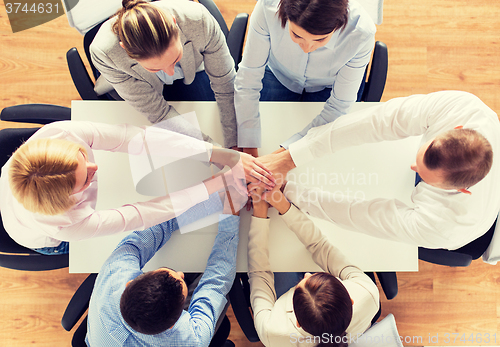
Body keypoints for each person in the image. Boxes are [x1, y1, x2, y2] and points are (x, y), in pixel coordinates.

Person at [259, 91, 500, 250]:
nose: (413, 167)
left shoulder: (444, 227)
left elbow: (359, 214)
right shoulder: (464, 108)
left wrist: (289, 191)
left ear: (460, 190)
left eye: (424, 175)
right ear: (454, 128)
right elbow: (378, 121)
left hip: (473, 230)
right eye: (421, 159)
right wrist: (292, 157)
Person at [0, 121, 254, 254]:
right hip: (30, 233)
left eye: (83, 157)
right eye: (85, 179)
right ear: (70, 199)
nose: (95, 169)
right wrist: (219, 182)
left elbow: (138, 138)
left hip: (13, 181)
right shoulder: (66, 224)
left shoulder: (61, 134)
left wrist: (215, 155)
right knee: (90, 253)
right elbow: (143, 214)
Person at [85, 191, 240, 346]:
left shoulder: (114, 272)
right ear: (174, 324)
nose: (180, 274)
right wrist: (231, 212)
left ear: (129, 283)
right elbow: (216, 283)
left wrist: (216, 197)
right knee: (224, 283)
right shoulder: (192, 339)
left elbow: (159, 225)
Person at [234, 0, 376, 156]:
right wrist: (249, 149)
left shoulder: (361, 32)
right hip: (278, 74)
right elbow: (248, 78)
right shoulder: (267, 7)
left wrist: (281, 157)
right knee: (270, 129)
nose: (307, 48)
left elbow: (339, 106)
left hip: (328, 86)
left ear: (338, 25)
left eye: (320, 39)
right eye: (296, 35)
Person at [90, 0, 238, 149]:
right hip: (134, 81)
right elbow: (159, 114)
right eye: (155, 68)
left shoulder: (199, 20)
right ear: (125, 49)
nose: (170, 72)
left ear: (174, 23)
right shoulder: (105, 53)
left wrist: (234, 144)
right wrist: (214, 152)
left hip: (192, 69)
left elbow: (226, 85)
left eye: (175, 59)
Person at [247, 186, 379, 346]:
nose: (307, 274)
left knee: (280, 258)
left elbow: (259, 273)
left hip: (282, 304)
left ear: (298, 323)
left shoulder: (272, 332)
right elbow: (320, 245)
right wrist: (283, 205)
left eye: (299, 286)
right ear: (350, 299)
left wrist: (259, 213)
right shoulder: (366, 293)